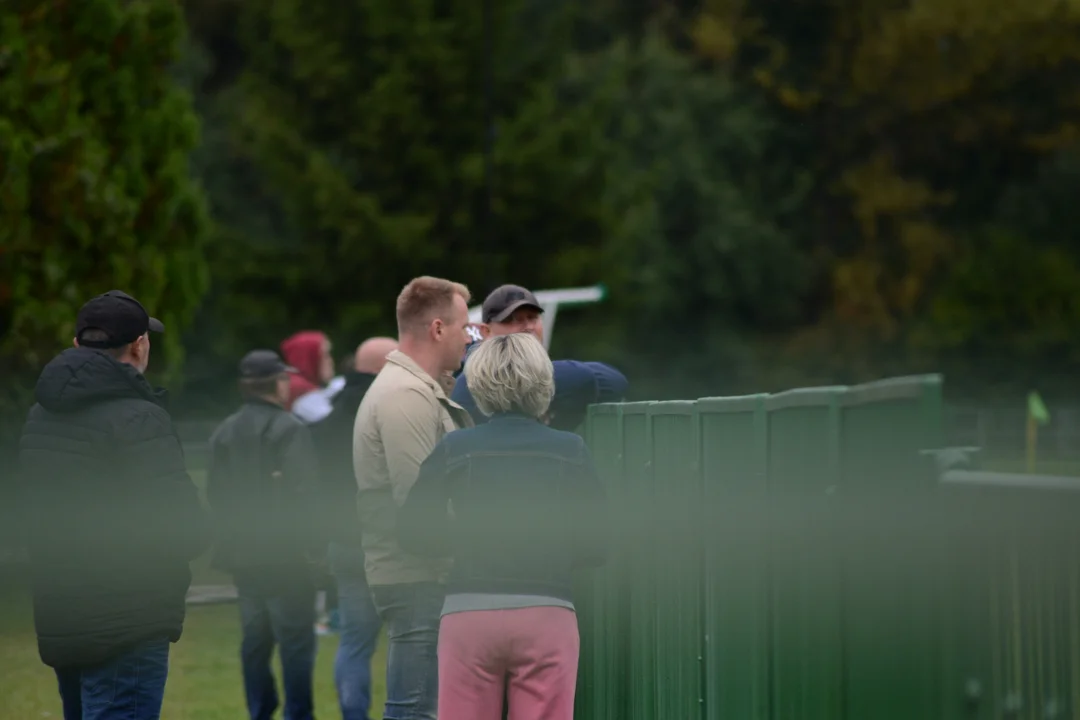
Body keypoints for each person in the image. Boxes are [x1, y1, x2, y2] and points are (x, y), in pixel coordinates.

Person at [18, 290, 209, 720]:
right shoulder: (138, 417)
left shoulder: (41, 416)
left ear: (77, 344)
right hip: (129, 619)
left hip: (64, 611)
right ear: (140, 346)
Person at [399, 333, 608, 720]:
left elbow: (412, 532)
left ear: (478, 386)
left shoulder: (456, 447)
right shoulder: (570, 449)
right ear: (544, 384)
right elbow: (599, 544)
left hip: (469, 609)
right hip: (547, 609)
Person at [353, 276, 475, 720]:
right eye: (465, 326)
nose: (470, 337)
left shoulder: (414, 390)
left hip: (418, 574)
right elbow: (421, 510)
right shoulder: (406, 397)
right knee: (414, 711)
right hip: (419, 576)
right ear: (438, 329)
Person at [205, 349, 323, 720]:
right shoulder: (290, 429)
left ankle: (259, 710)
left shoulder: (223, 431)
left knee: (254, 641)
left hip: (243, 555)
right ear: (278, 383)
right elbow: (304, 495)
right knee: (296, 645)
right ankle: (297, 713)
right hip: (286, 558)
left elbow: (216, 495)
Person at [310, 336, 398, 720]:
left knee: (355, 642)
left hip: (345, 544)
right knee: (408, 641)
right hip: (393, 545)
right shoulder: (393, 412)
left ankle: (353, 715)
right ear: (383, 368)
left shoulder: (327, 419)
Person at [451, 284, 629, 431]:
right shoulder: (469, 378)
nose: (528, 326)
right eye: (513, 319)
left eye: (532, 317)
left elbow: (615, 381)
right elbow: (582, 377)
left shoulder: (554, 370)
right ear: (486, 331)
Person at [280, 330, 336, 421]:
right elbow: (333, 421)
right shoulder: (301, 390)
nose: (330, 361)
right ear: (310, 358)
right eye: (325, 355)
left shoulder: (290, 381)